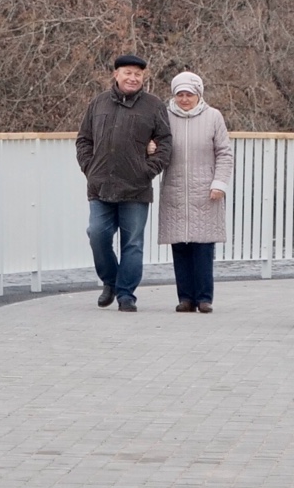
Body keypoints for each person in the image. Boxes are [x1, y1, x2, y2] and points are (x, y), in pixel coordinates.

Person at [76, 53, 173, 313]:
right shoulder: (98, 103)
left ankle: (126, 294)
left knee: (133, 243)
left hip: (136, 188)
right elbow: (84, 140)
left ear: (144, 78)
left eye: (138, 74)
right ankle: (110, 281)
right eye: (127, 72)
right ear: (116, 74)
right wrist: (89, 168)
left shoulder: (154, 106)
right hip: (100, 186)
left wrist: (147, 170)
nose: (133, 78)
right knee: (97, 234)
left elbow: (165, 144)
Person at [159, 71, 234, 313]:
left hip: (206, 190)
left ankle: (204, 297)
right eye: (180, 94)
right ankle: (185, 298)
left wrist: (219, 183)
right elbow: (157, 144)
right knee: (180, 246)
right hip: (176, 188)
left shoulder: (213, 117)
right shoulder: (164, 116)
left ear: (198, 95)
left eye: (189, 94)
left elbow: (224, 152)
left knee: (203, 247)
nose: (184, 99)